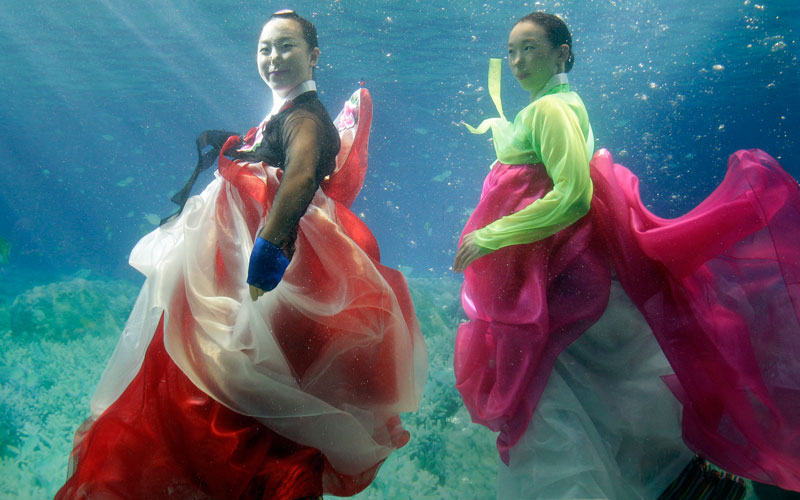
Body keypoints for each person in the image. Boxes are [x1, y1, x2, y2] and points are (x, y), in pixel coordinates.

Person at [56, 10, 426, 500]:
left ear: (314, 55)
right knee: (222, 392)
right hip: (235, 286)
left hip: (262, 290)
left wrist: (266, 260)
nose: (273, 58)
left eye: (286, 46)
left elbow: (298, 178)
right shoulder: (289, 114)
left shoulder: (305, 120)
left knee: (229, 402)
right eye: (265, 48)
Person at [454, 11, 800, 499]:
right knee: (612, 390)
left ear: (562, 54)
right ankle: (691, 483)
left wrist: (490, 236)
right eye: (511, 51)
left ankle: (687, 483)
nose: (516, 61)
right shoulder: (551, 106)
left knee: (565, 394)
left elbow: (572, 194)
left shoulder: (551, 111)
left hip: (561, 280)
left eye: (529, 48)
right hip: (563, 273)